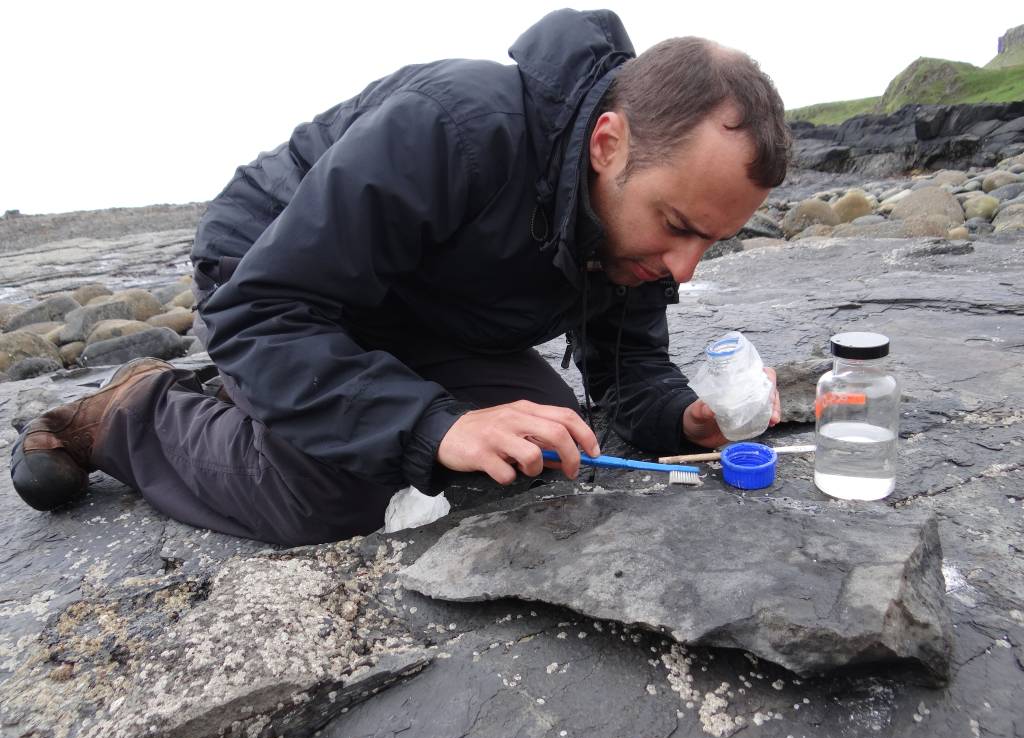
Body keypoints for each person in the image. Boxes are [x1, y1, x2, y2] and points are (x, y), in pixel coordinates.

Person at [11, 9, 790, 545]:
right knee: (347, 489)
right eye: (679, 228)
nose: (682, 267)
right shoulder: (456, 126)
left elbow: (629, 371)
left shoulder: (632, 229)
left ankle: (272, 394)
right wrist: (437, 425)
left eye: (710, 243)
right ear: (608, 144)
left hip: (422, 314)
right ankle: (132, 414)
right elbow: (266, 311)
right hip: (273, 281)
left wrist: (684, 420)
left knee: (549, 445)